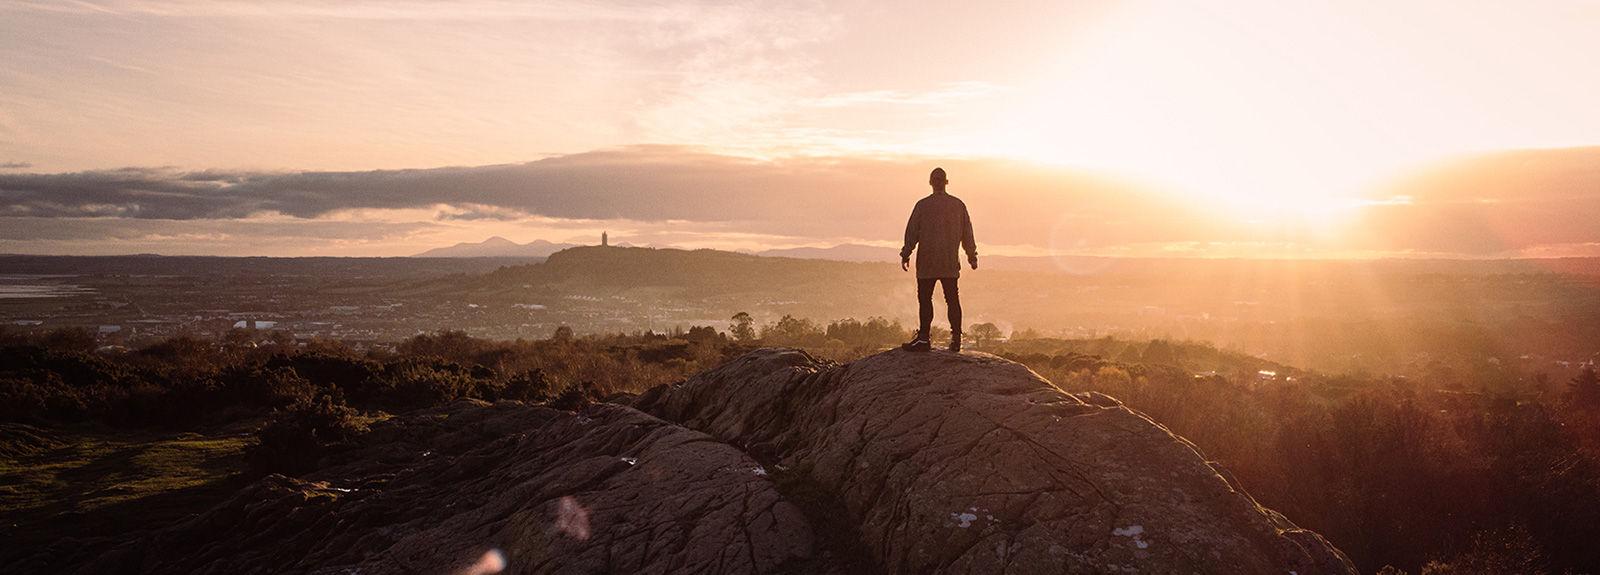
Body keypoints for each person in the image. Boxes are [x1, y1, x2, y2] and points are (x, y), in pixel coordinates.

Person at [900, 167, 977, 353]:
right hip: (949, 262)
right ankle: (956, 339)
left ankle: (924, 339)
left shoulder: (922, 205)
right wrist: (971, 255)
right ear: (946, 182)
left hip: (927, 263)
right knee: (952, 299)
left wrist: (906, 253)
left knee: (925, 299)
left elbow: (912, 232)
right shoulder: (958, 205)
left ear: (930, 183)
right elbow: (967, 232)